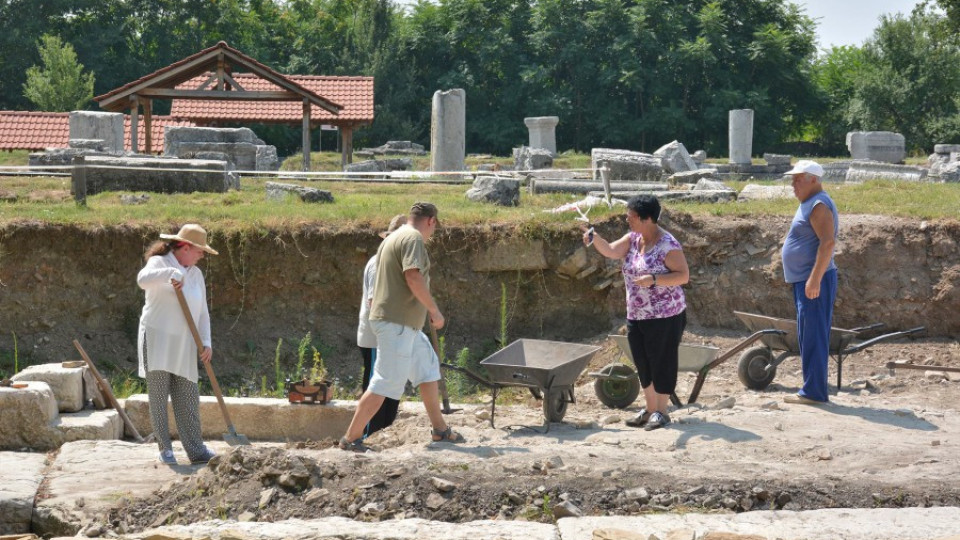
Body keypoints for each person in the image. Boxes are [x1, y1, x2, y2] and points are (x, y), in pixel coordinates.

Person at [340, 202, 464, 451]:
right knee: (385, 382)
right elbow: (413, 276)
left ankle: (439, 429)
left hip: (405, 323)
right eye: (434, 228)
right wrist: (433, 309)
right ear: (431, 221)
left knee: (428, 368)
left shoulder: (392, 239)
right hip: (395, 323)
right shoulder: (413, 238)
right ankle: (350, 439)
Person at [585, 195, 689, 431]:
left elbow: (683, 276)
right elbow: (611, 251)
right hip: (637, 313)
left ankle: (662, 412)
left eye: (631, 217)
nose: (627, 220)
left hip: (665, 315)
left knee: (661, 362)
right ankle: (650, 409)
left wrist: (654, 280)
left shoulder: (668, 245)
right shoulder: (633, 239)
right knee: (643, 362)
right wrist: (594, 237)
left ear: (647, 218)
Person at [137, 224, 219, 465]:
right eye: (199, 250)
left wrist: (206, 341)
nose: (202, 255)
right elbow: (142, 280)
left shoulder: (196, 274)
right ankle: (165, 449)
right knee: (159, 395)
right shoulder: (159, 263)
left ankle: (196, 450)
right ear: (184, 247)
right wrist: (170, 274)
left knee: (188, 395)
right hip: (156, 337)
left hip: (185, 341)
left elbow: (202, 311)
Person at [781, 160, 838, 405]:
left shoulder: (818, 205)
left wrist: (814, 279)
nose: (793, 184)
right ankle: (811, 388)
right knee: (808, 333)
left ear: (813, 179)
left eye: (798, 179)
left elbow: (828, 243)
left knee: (813, 333)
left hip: (814, 280)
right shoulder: (808, 203)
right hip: (805, 279)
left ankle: (814, 392)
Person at [356, 214, 406, 436]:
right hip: (377, 339)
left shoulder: (393, 263)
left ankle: (383, 436)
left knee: (390, 391)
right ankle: (365, 437)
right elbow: (375, 303)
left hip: (391, 338)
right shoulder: (379, 264)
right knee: (376, 389)